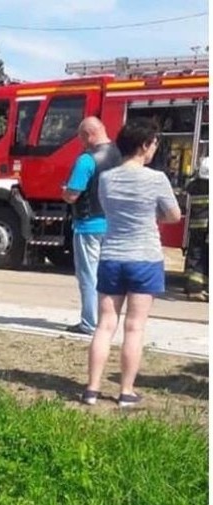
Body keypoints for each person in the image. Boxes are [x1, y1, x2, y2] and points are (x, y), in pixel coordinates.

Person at [82, 119, 181, 407]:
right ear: (144, 145)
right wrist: (154, 216)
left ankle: (91, 389)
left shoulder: (106, 179)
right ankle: (126, 392)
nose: (154, 149)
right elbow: (173, 215)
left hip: (112, 255)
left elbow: (110, 210)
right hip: (145, 259)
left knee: (104, 325)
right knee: (134, 327)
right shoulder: (157, 179)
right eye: (153, 144)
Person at [62, 117, 122, 335]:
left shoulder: (86, 160)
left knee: (88, 276)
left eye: (81, 138)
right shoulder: (120, 155)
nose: (81, 143)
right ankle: (109, 321)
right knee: (109, 277)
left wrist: (65, 192)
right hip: (114, 225)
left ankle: (89, 323)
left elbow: (73, 194)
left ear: (88, 135)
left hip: (88, 225)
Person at [184, 156, 209, 301]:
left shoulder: (194, 185)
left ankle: (191, 286)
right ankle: (196, 288)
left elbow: (187, 186)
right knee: (204, 257)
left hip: (196, 225)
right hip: (207, 226)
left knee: (195, 254)